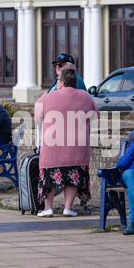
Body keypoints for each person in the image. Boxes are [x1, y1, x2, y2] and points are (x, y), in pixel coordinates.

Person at [35, 68, 98, 217]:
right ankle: (68, 208)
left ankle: (48, 208)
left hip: (52, 146)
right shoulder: (86, 96)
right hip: (77, 146)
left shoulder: (47, 97)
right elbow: (94, 116)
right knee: (73, 177)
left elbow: (38, 118)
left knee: (49, 177)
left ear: (61, 82)